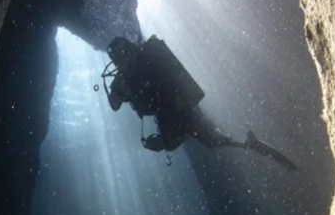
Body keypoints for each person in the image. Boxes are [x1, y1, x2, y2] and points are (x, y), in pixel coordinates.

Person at [102, 35, 297, 170]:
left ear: (130, 50)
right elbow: (114, 105)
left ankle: (247, 143)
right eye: (118, 58)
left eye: (123, 54)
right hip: (171, 113)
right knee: (211, 139)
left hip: (180, 109)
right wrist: (116, 92)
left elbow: (169, 100)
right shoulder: (123, 79)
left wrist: (166, 140)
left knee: (210, 139)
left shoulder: (149, 61)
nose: (122, 61)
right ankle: (247, 143)